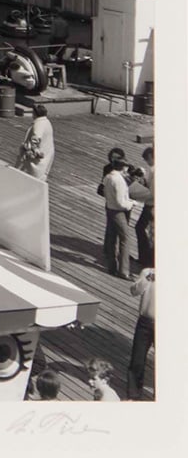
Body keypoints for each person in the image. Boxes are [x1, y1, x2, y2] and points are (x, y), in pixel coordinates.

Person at [102, 158, 134, 279]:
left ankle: (112, 267)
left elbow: (105, 192)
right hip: (118, 212)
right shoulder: (119, 180)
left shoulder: (108, 177)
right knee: (125, 238)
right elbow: (121, 203)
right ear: (124, 167)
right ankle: (124, 270)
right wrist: (131, 203)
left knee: (111, 238)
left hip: (109, 209)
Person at [126, 268, 155, 400]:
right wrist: (146, 279)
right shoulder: (147, 272)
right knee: (137, 359)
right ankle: (134, 394)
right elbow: (134, 291)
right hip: (144, 322)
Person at [14, 104, 55, 180]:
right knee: (40, 177)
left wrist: (32, 150)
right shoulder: (46, 122)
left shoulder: (39, 124)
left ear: (35, 114)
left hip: (35, 160)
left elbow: (36, 138)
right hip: (47, 154)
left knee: (26, 177)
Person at [132, 146, 154, 269]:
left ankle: (145, 259)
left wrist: (135, 190)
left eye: (147, 160)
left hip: (151, 205)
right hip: (150, 204)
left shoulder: (155, 170)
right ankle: (146, 258)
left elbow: (152, 193)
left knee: (141, 228)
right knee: (145, 230)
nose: (147, 163)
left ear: (151, 157)